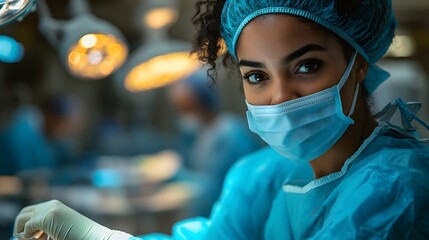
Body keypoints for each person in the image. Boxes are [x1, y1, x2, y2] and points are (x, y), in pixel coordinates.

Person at [13, 0, 429, 239]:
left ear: (357, 64)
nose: (280, 97)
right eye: (256, 76)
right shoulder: (263, 177)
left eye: (306, 67)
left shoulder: (397, 190)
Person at [169, 68, 262, 216]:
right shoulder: (202, 133)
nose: (185, 116)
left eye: (189, 108)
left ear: (204, 102)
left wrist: (177, 173)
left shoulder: (229, 133)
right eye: (181, 110)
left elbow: (220, 188)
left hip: (240, 212)